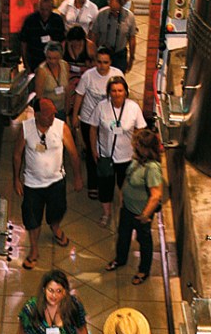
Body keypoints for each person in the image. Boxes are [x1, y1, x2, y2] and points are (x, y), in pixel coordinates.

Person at [13, 98, 82, 270]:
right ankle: (34, 250)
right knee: (32, 218)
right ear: (36, 115)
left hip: (56, 182)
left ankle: (56, 228)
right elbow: (17, 155)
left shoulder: (61, 127)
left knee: (57, 211)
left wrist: (78, 177)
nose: (53, 116)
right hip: (32, 184)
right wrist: (16, 179)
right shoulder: (26, 128)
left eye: (53, 112)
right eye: (48, 114)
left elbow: (73, 154)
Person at [105, 128, 163, 285]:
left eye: (137, 145)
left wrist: (145, 215)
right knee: (123, 236)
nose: (134, 147)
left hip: (141, 214)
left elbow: (156, 195)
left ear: (146, 148)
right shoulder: (137, 160)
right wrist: (123, 195)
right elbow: (128, 178)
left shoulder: (152, 168)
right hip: (128, 209)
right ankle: (120, 259)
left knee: (144, 241)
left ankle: (143, 270)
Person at [89, 75, 146, 226]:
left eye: (120, 90)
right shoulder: (102, 107)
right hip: (106, 156)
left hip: (127, 157)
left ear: (126, 92)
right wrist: (94, 148)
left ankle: (122, 212)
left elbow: (141, 130)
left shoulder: (133, 108)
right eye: (113, 90)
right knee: (105, 187)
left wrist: (138, 151)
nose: (117, 94)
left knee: (125, 187)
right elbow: (93, 128)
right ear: (109, 92)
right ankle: (106, 213)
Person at [72, 48, 121, 200]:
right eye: (99, 62)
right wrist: (75, 115)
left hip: (108, 121)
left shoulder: (117, 75)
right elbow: (79, 96)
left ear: (110, 63)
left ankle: (105, 181)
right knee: (92, 152)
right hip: (88, 119)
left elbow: (122, 97)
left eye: (105, 62)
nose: (101, 65)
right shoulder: (88, 76)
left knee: (108, 151)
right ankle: (93, 183)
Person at [89, 0, 137, 74]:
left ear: (122, 5)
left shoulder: (129, 16)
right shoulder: (101, 14)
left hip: (119, 54)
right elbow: (94, 34)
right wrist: (92, 55)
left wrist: (131, 57)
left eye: (117, 11)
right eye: (112, 10)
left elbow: (132, 38)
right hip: (103, 52)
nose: (114, 13)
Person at [20, 0, 66, 74]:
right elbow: (24, 43)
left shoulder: (57, 20)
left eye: (47, 10)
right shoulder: (30, 20)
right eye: (42, 9)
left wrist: (60, 59)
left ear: (52, 8)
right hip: (34, 61)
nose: (44, 12)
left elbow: (62, 42)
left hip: (52, 62)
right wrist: (26, 64)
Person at [33, 41, 70, 120]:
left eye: (55, 58)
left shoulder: (65, 65)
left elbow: (67, 89)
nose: (52, 61)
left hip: (61, 109)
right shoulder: (42, 71)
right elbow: (39, 96)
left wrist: (67, 108)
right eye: (49, 58)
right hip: (47, 112)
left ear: (60, 56)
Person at [63, 26, 95, 106]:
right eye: (73, 42)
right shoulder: (64, 45)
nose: (76, 44)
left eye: (78, 41)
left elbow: (95, 66)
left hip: (85, 75)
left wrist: (89, 66)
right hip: (68, 76)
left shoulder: (89, 46)